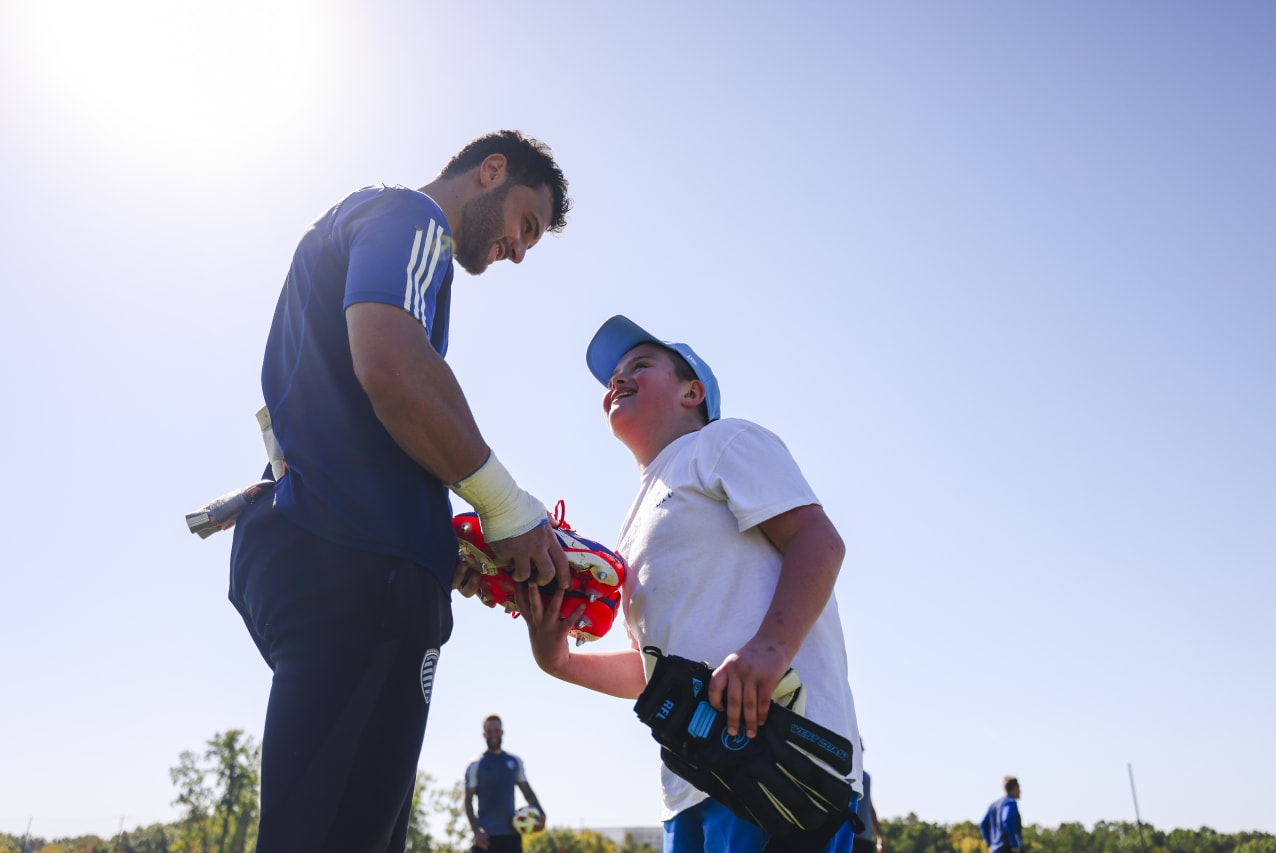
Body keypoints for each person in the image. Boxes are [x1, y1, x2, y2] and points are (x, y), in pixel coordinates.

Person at [227, 130, 573, 853]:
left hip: (343, 563)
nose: (517, 249)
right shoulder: (408, 218)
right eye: (526, 227)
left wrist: (440, 534)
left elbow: (352, 420)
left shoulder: (369, 238)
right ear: (491, 171)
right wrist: (506, 506)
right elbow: (389, 366)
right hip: (356, 571)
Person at [515, 315, 864, 853]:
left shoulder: (721, 441)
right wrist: (558, 661)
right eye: (612, 376)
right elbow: (649, 669)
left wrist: (767, 652)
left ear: (692, 392)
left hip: (780, 762)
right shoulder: (630, 525)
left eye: (640, 365)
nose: (617, 379)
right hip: (691, 780)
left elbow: (817, 542)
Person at [465, 714, 546, 852]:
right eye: (490, 731)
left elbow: (527, 792)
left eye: (497, 730)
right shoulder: (475, 765)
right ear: (484, 734)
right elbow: (468, 801)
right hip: (486, 839)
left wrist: (541, 814)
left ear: (502, 732)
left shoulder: (514, 762)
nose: (493, 734)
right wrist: (476, 831)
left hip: (511, 838)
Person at [852, 744, 884, 853]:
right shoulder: (844, 774)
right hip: (850, 836)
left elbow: (869, 807)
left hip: (866, 838)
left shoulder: (866, 777)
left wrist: (879, 836)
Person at [980, 777, 1023, 853]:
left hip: (995, 850)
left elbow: (983, 824)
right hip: (1007, 849)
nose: (1020, 791)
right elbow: (1007, 819)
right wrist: (1013, 844)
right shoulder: (1010, 802)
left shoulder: (994, 805)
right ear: (1014, 788)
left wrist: (990, 844)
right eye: (1019, 788)